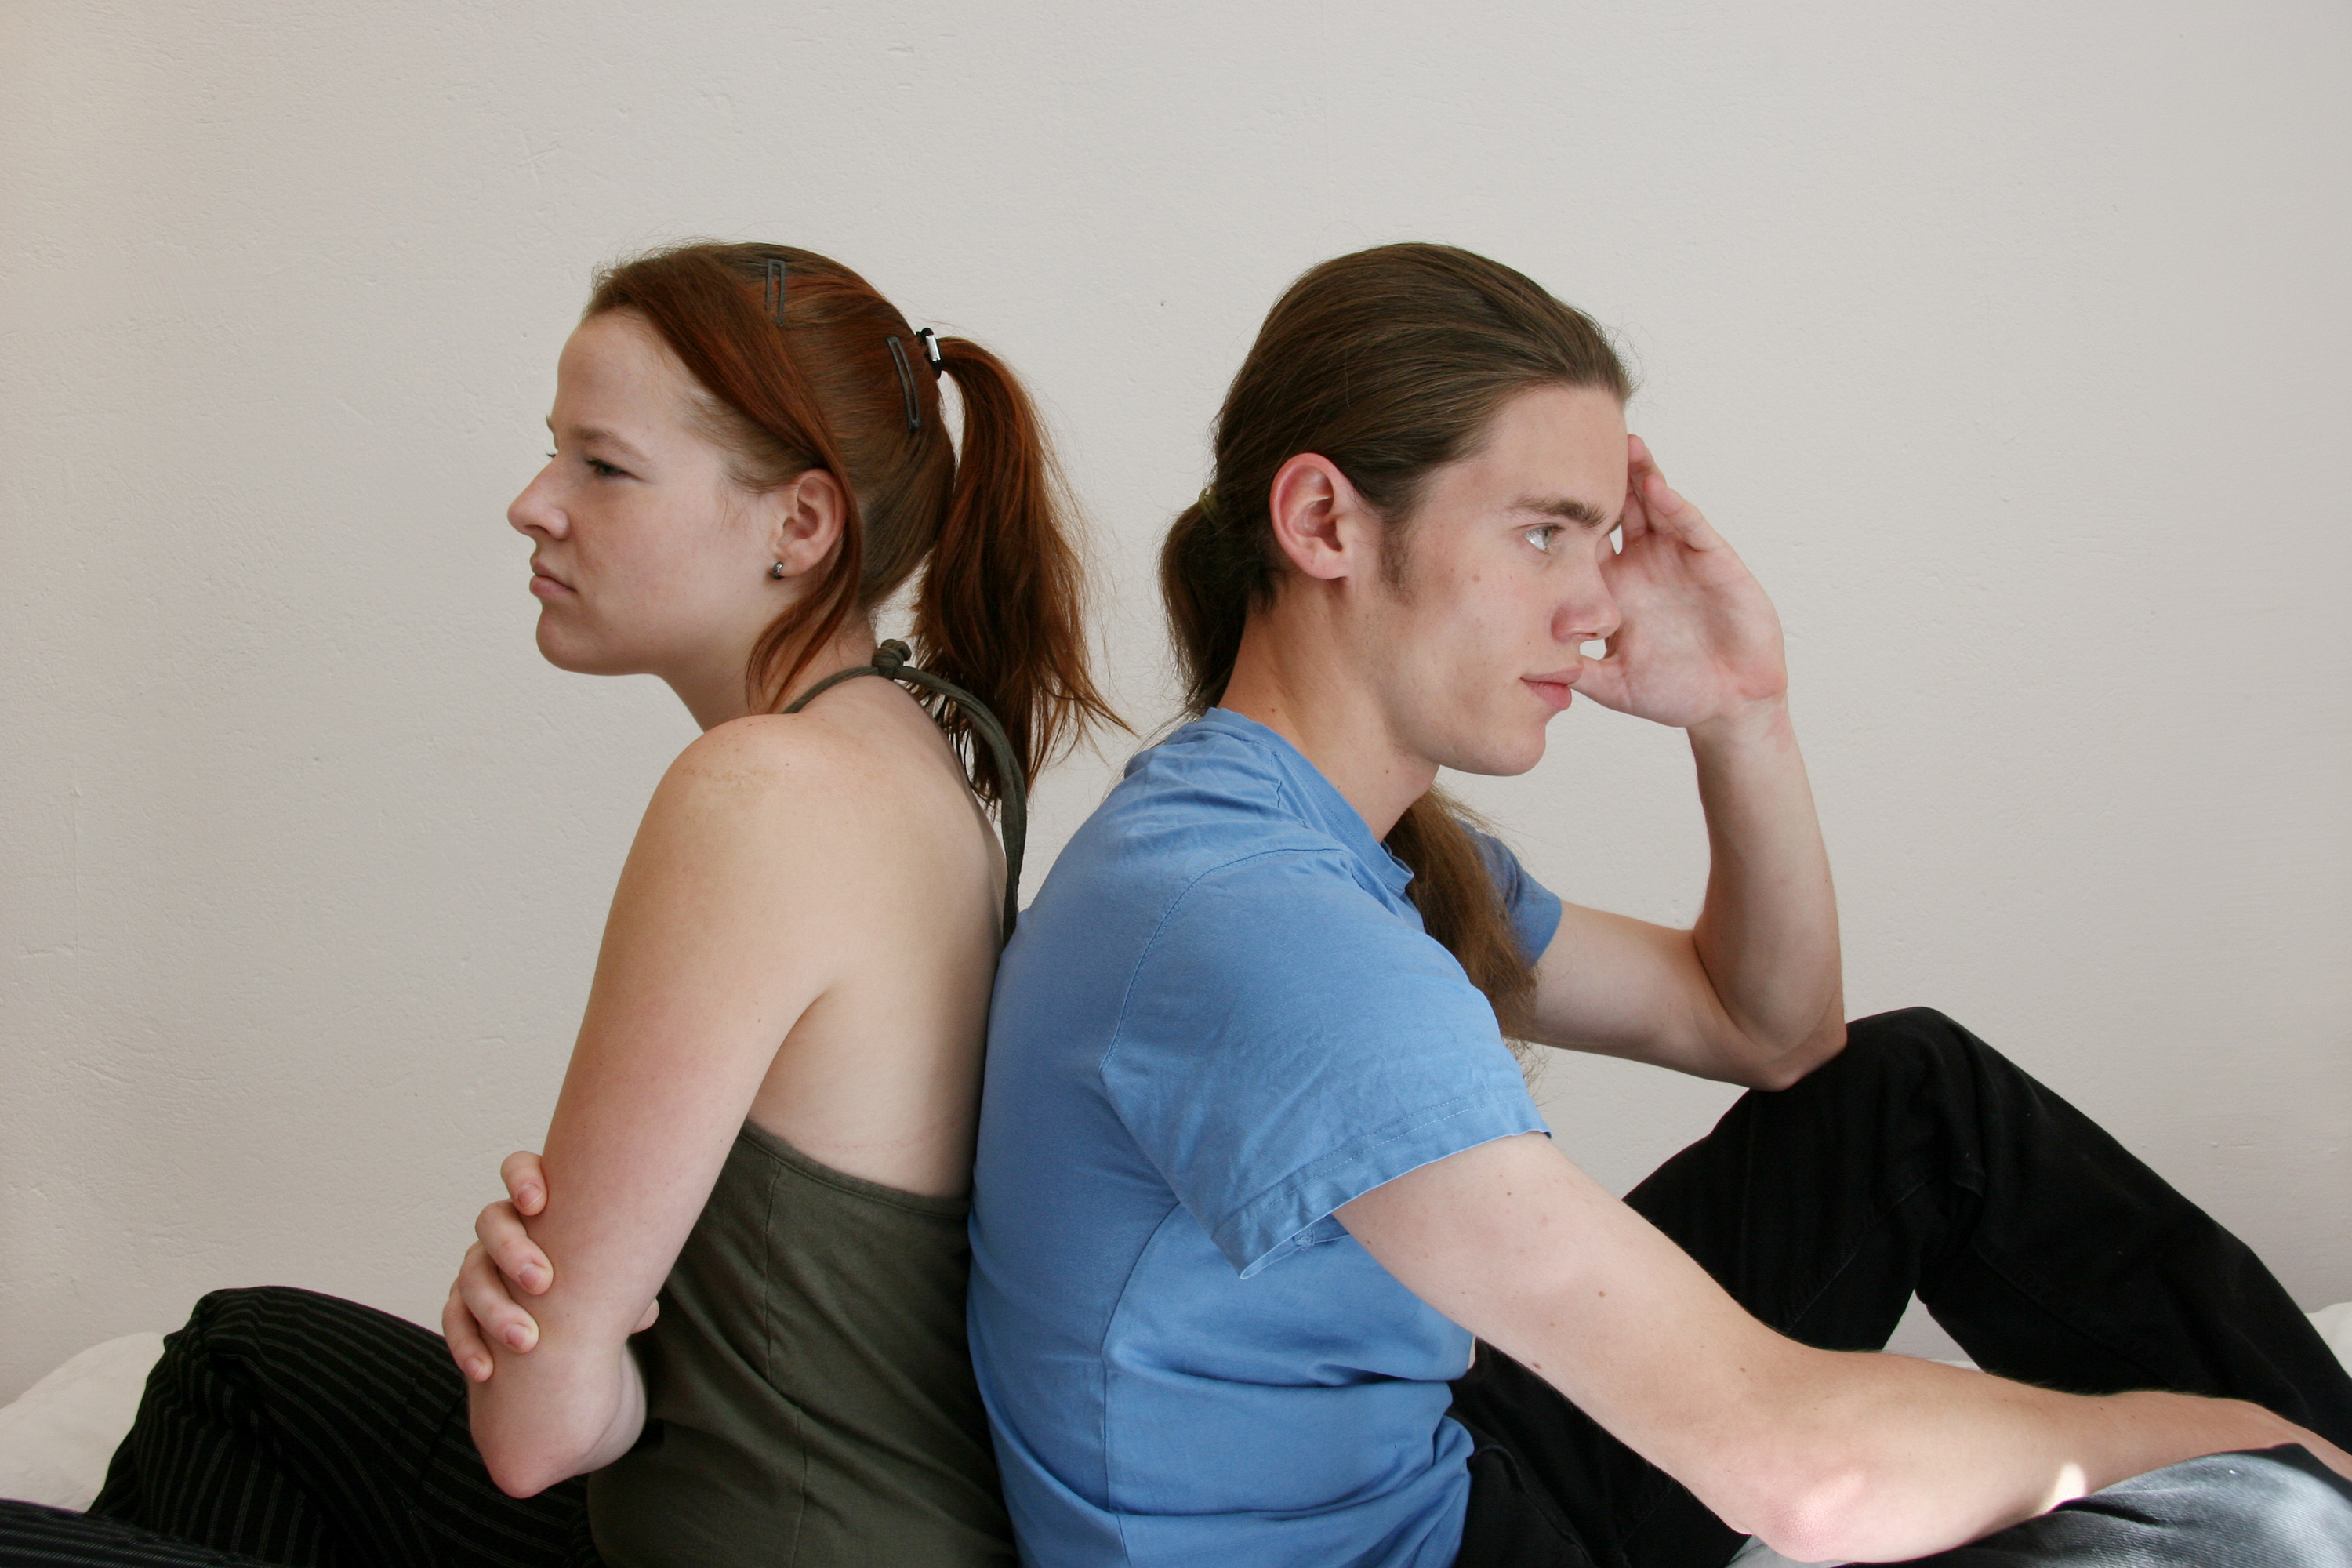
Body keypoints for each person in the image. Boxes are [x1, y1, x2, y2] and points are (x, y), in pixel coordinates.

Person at [961, 242, 2352, 1567]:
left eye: (1601, 541)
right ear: (1325, 520)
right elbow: (1804, 1471)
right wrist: (2227, 1444)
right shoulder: (1262, 926)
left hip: (1440, 1474)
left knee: (1913, 1096)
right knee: (2266, 1530)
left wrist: (1741, 714)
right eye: (1544, 535)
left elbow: (1773, 1033)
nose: (1596, 610)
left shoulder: (1312, 843)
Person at [0, 241, 1112, 1567]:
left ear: (801, 526)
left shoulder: (762, 793)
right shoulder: (920, 740)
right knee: (243, 1359)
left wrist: (559, 1346)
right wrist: (579, 1342)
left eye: (603, 467)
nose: (534, 505)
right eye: (554, 454)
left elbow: (535, 1433)